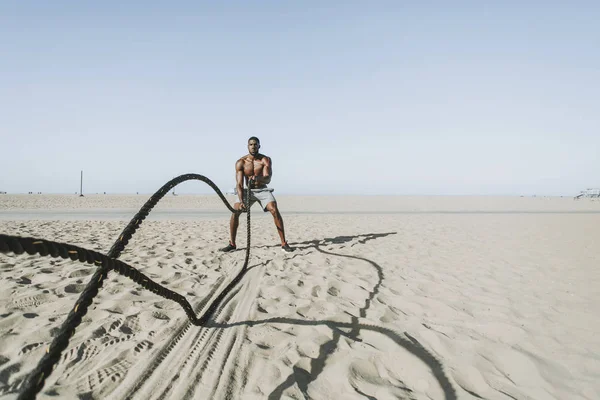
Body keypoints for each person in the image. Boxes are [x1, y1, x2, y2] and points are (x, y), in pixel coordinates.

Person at [220, 137, 294, 253]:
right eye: (251, 144)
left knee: (274, 209)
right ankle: (232, 244)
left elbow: (268, 179)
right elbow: (239, 184)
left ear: (259, 146)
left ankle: (284, 243)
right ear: (247, 146)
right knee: (235, 212)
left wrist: (258, 178)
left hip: (262, 190)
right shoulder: (241, 162)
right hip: (246, 191)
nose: (253, 146)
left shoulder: (265, 160)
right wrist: (242, 201)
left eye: (255, 144)